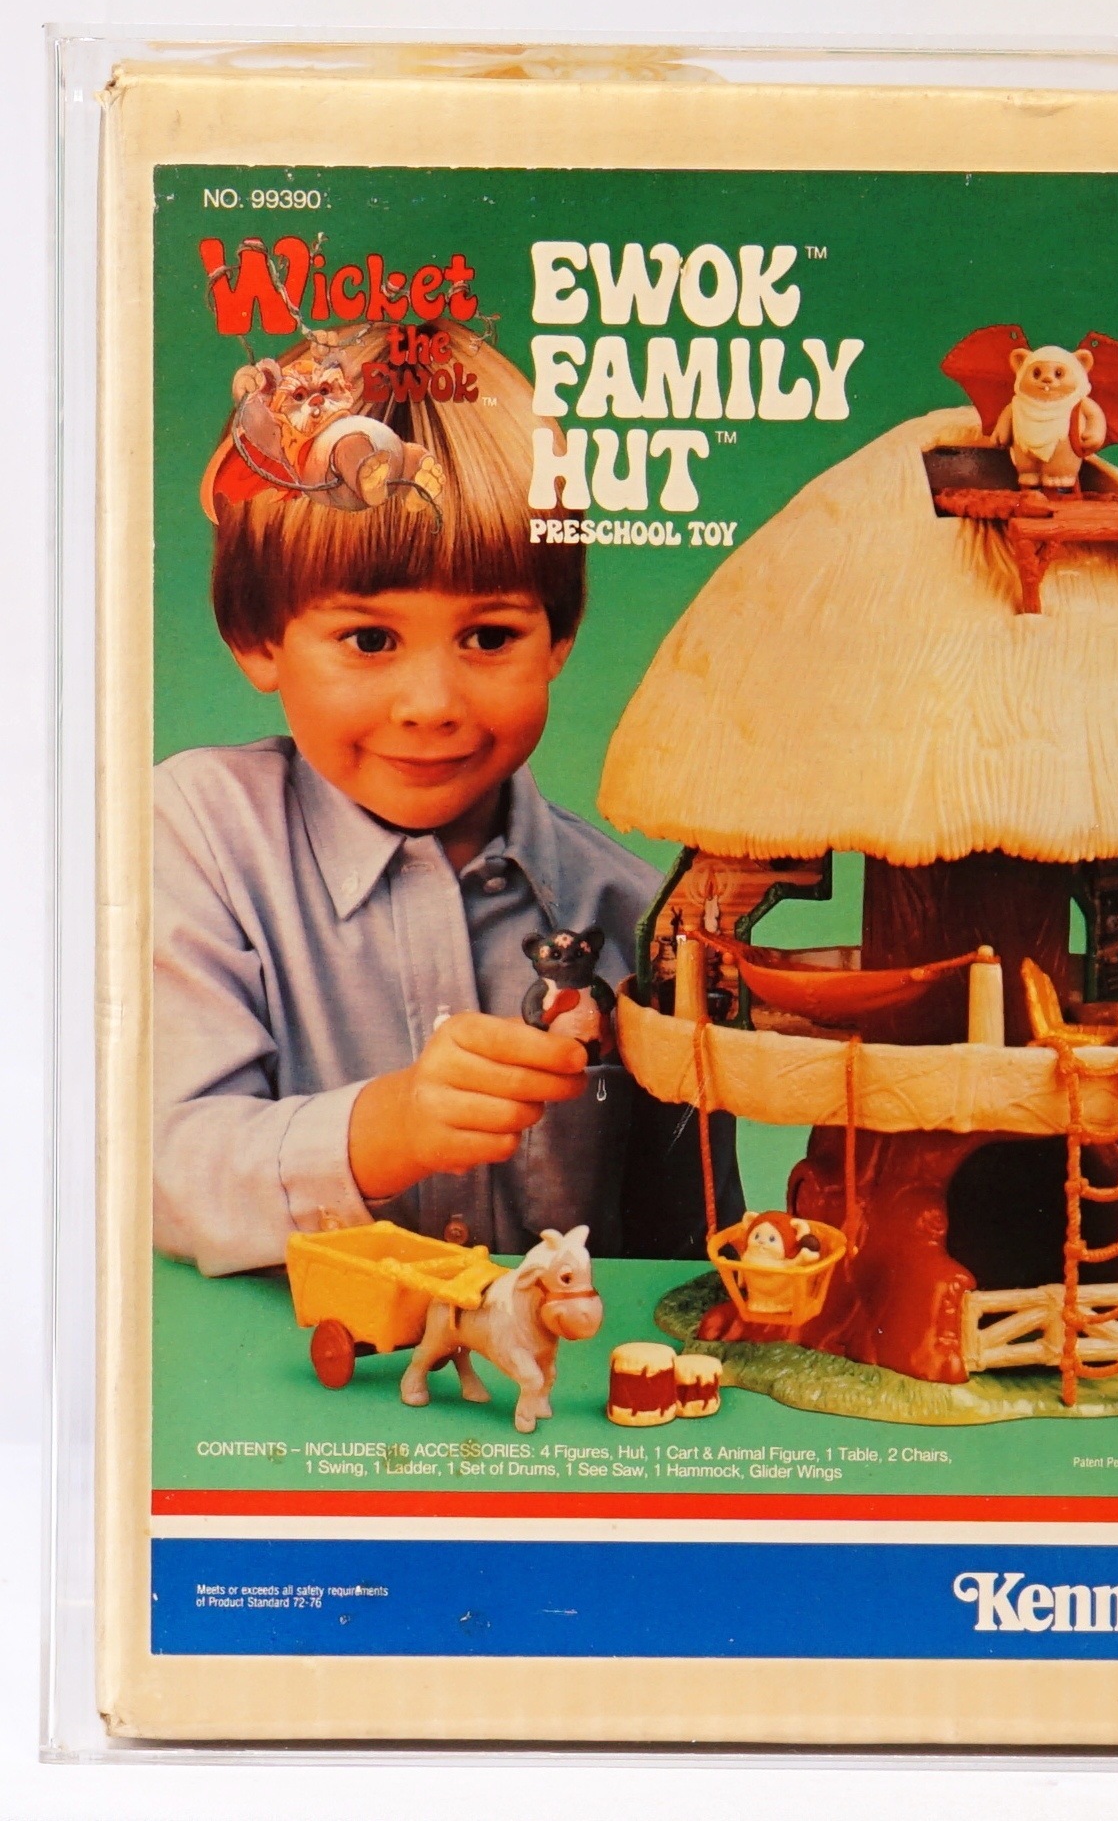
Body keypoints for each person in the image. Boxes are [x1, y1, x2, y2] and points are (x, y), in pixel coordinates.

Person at [154, 317, 738, 1276]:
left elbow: (689, 1255)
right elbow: (165, 1166)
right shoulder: (196, 838)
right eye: (370, 640)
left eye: (489, 637)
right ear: (258, 637)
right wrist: (383, 1128)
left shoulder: (637, 913)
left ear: (559, 638)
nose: (431, 704)